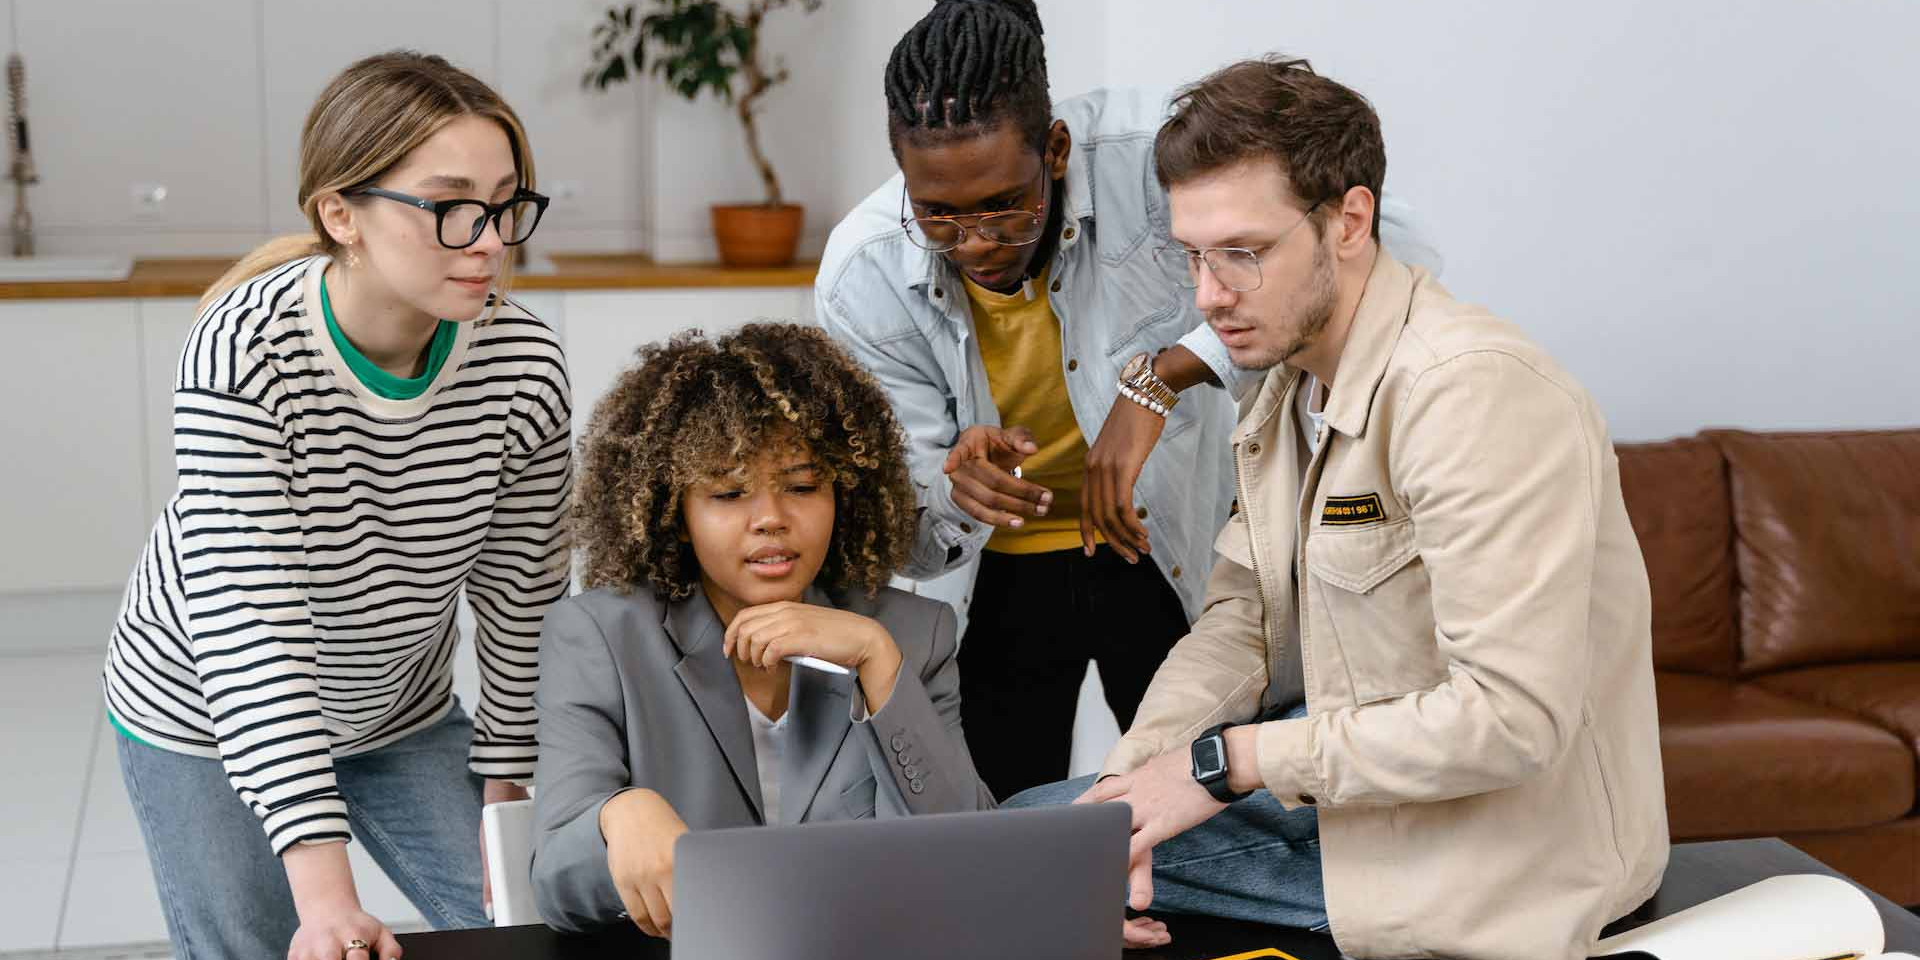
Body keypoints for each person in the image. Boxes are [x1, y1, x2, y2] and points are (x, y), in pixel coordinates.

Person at [1012, 56, 1670, 960]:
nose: (1208, 295)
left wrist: (1228, 763)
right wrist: (1133, 783)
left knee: (1019, 858)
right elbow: (1241, 619)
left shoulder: (1473, 394)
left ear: (1350, 220)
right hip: (1361, 801)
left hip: (1491, 853)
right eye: (1194, 255)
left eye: (1244, 252)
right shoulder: (1287, 385)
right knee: (1054, 833)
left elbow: (1512, 719)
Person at [816, 0, 1442, 800]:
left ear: (1055, 149)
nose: (975, 241)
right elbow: (900, 527)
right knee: (1001, 823)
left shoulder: (1158, 154)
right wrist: (949, 488)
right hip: (996, 581)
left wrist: (1169, 372)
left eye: (1005, 204)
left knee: (1207, 805)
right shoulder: (861, 272)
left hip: (1167, 541)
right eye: (938, 214)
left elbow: (1393, 247)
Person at [101, 51, 571, 960]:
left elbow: (523, 597)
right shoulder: (242, 356)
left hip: (397, 707)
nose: (488, 241)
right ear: (340, 213)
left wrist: (507, 795)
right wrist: (324, 894)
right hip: (202, 711)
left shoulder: (523, 362)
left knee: (519, 928)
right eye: (449, 207)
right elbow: (254, 632)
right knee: (273, 947)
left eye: (505, 203)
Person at [530, 324, 995, 939]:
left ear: (845, 493)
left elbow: (973, 865)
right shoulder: (600, 636)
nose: (771, 519)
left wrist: (877, 662)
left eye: (803, 487)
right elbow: (557, 886)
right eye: (729, 493)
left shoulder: (913, 634)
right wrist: (619, 815)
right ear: (675, 510)